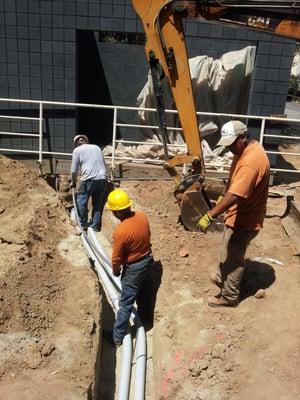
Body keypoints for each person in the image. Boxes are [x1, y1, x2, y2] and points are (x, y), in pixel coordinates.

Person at [197, 120, 270, 307]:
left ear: (243, 138)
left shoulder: (251, 161)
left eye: (231, 144)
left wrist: (210, 215)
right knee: (227, 250)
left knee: (233, 256)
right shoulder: (246, 150)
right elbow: (234, 183)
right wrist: (222, 196)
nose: (229, 149)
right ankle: (224, 278)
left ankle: (229, 297)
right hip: (240, 214)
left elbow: (236, 194)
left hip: (244, 218)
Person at [104, 189, 154, 347]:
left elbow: (117, 257)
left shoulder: (121, 231)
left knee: (125, 303)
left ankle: (117, 338)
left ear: (116, 212)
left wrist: (116, 270)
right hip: (148, 261)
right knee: (144, 294)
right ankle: (145, 322)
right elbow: (148, 234)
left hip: (134, 268)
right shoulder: (142, 215)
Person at [70, 134, 107, 231]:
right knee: (98, 205)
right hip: (102, 179)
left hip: (89, 179)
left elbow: (73, 170)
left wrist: (73, 182)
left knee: (81, 201)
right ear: (87, 141)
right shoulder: (96, 147)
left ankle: (82, 224)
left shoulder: (77, 150)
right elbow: (104, 163)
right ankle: (95, 227)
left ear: (76, 144)